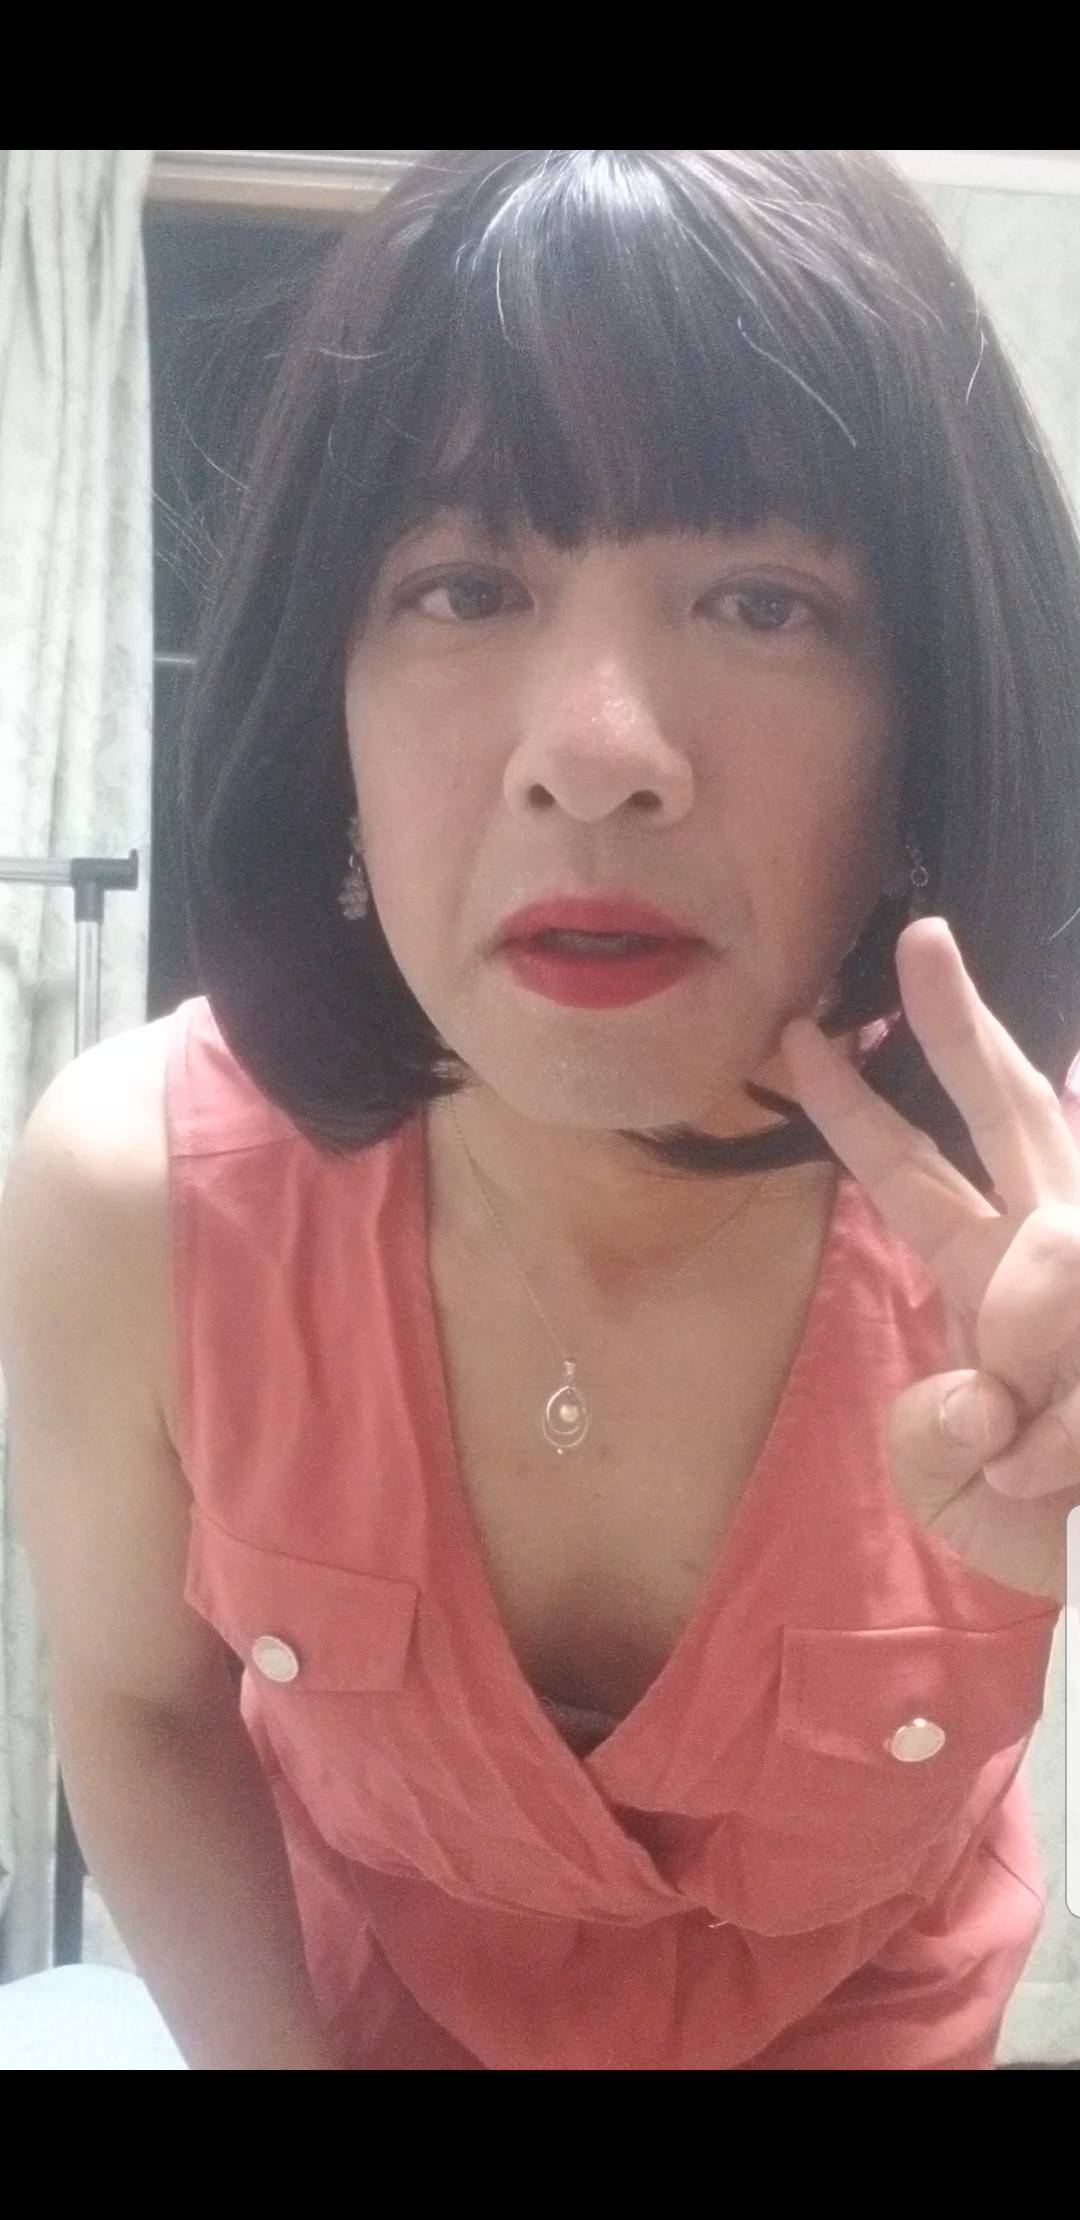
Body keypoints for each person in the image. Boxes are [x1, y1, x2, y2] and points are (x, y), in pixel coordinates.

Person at [2, 147, 1080, 2071]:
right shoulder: (130, 1200)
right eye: (464, 585)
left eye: (761, 602)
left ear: (928, 721)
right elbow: (144, 1709)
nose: (599, 757)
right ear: (322, 709)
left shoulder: (1038, 1222)